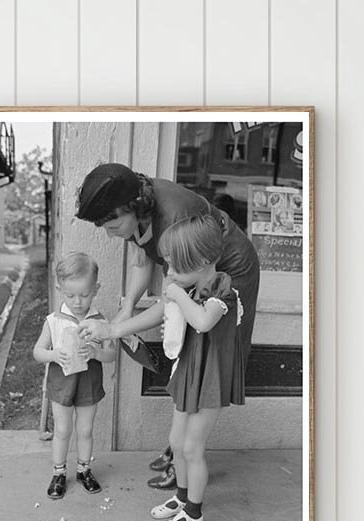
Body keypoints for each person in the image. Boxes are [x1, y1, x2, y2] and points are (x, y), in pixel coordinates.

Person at [74, 163, 260, 488]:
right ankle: (179, 446)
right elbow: (143, 259)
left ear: (133, 207)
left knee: (207, 359)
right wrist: (127, 309)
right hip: (194, 280)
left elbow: (170, 300)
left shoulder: (177, 217)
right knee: (189, 358)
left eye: (111, 222)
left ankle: (186, 454)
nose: (108, 231)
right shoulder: (137, 208)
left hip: (231, 269)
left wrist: (116, 329)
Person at [139, 214, 242, 521]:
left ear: (203, 261)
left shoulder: (225, 293)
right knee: (176, 442)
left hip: (210, 380)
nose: (169, 274)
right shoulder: (194, 288)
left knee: (193, 448)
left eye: (175, 266)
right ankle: (181, 497)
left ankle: (194, 514)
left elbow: (202, 322)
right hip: (188, 373)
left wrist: (178, 296)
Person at [32, 253, 116, 500]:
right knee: (62, 429)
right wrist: (54, 355)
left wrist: (96, 352)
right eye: (70, 295)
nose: (78, 302)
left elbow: (111, 354)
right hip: (61, 384)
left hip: (88, 383)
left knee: (86, 429)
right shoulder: (54, 320)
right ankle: (59, 473)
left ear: (96, 289)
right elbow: (38, 352)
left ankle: (84, 469)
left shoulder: (100, 321)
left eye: (85, 294)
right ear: (60, 290)